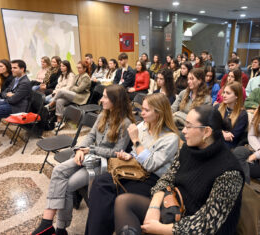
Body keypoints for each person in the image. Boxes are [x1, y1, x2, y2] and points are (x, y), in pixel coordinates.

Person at [114, 105, 245, 235]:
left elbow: (207, 224)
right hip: (173, 209)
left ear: (207, 132)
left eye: (188, 126)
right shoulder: (188, 149)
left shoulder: (229, 171)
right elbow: (167, 178)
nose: (183, 131)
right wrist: (153, 209)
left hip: (197, 227)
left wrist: (159, 229)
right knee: (123, 202)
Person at [31, 85, 134, 235]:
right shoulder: (103, 115)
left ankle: (60, 228)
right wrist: (79, 149)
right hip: (88, 156)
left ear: (115, 100)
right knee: (59, 171)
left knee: (68, 184)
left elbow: (115, 153)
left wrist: (90, 150)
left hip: (102, 163)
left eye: (105, 97)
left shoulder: (126, 124)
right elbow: (90, 136)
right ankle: (47, 224)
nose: (101, 99)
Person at [85, 93, 180, 235]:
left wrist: (135, 140)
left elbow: (150, 165)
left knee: (109, 196)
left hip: (152, 180)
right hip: (135, 170)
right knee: (100, 182)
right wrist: (129, 155)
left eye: (146, 110)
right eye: (142, 108)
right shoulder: (143, 126)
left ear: (159, 113)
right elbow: (136, 153)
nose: (141, 113)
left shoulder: (170, 138)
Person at [0, 60, 31, 133]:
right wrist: (9, 95)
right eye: (11, 68)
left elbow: (13, 100)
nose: (12, 70)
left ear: (22, 69)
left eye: (15, 68)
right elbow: (4, 92)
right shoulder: (16, 79)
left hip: (15, 108)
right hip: (7, 103)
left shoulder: (25, 82)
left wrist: (9, 95)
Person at [46, 61, 91, 129]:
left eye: (80, 68)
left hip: (80, 97)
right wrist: (73, 87)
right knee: (59, 101)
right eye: (77, 68)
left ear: (85, 69)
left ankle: (51, 104)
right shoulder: (77, 75)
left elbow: (79, 89)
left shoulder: (86, 77)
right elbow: (73, 87)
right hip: (74, 94)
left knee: (61, 91)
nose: (78, 69)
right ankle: (59, 121)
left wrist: (72, 87)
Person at [217, 81, 248, 148]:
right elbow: (210, 125)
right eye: (224, 92)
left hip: (229, 145)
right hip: (215, 140)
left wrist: (217, 131)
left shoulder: (242, 114)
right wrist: (223, 133)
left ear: (236, 96)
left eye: (228, 93)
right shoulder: (218, 107)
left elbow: (233, 136)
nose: (224, 95)